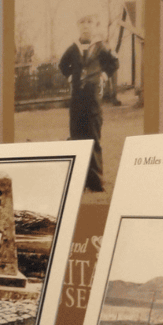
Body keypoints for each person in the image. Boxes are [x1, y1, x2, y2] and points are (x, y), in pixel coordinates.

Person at [59, 12, 119, 192]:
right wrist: (70, 76)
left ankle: (95, 182)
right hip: (77, 101)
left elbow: (114, 63)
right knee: (77, 138)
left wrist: (103, 75)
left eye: (89, 22)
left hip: (93, 101)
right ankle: (79, 181)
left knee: (93, 138)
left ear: (95, 26)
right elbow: (62, 65)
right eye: (82, 22)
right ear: (78, 26)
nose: (86, 25)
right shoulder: (73, 48)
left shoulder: (101, 48)